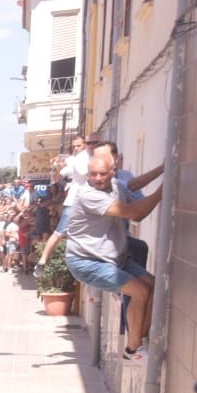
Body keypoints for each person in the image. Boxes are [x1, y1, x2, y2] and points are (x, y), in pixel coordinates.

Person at [62, 149, 163, 359]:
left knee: (154, 289)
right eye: (93, 174)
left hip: (114, 257)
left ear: (113, 172)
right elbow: (136, 214)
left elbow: (133, 185)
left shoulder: (116, 185)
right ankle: (134, 349)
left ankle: (138, 343)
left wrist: (164, 168)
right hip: (87, 262)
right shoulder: (89, 195)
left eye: (102, 174)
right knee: (140, 292)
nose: (97, 179)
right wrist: (166, 187)